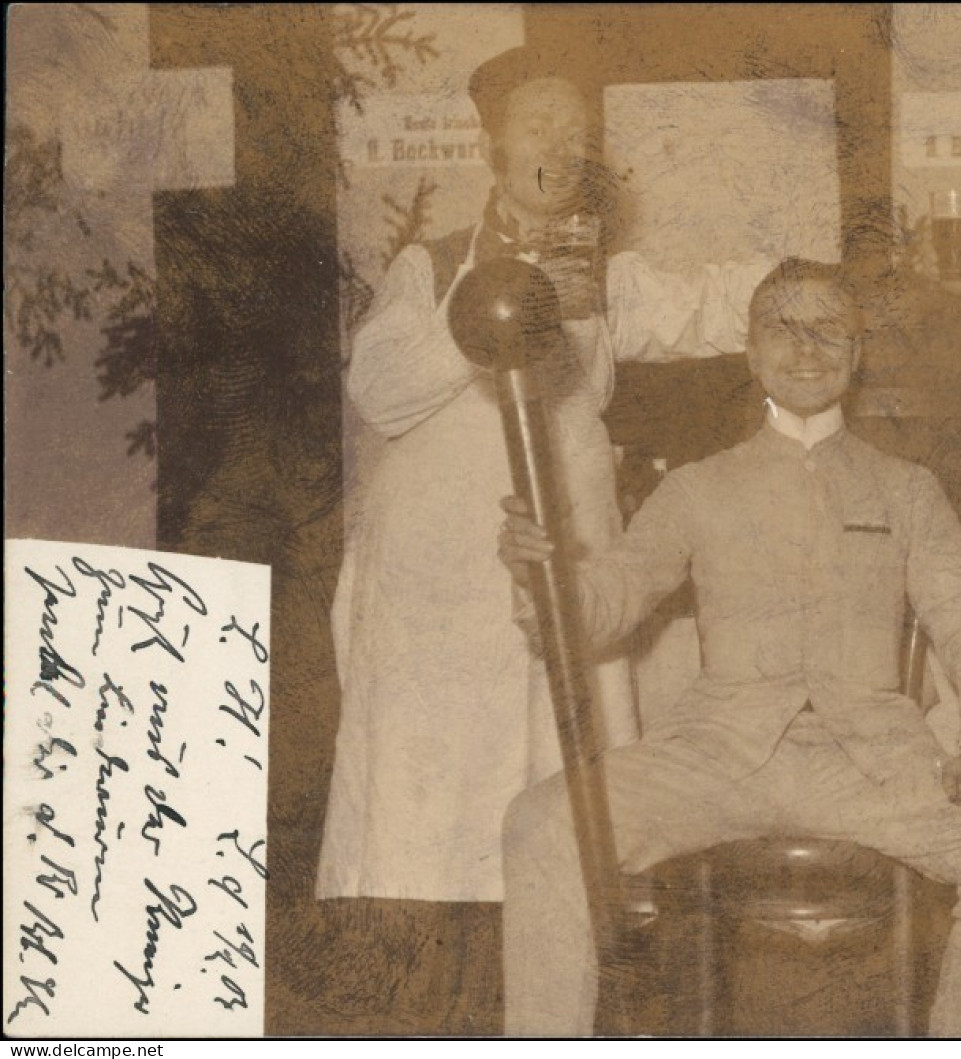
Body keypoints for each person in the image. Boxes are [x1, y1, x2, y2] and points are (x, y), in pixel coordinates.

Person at [498, 259, 961, 1037]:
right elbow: (604, 606)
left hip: (873, 766)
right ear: (751, 353)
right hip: (715, 758)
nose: (806, 347)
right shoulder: (696, 488)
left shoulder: (906, 489)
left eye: (828, 327)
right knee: (541, 823)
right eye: (782, 327)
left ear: (857, 350)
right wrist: (546, 577)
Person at [320, 47, 772, 904]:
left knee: (562, 771)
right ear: (491, 143)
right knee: (432, 791)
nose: (563, 145)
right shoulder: (433, 263)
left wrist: (810, 279)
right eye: (540, 125)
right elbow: (377, 391)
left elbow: (707, 304)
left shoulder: (600, 274)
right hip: (443, 563)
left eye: (577, 130)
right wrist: (494, 300)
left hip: (563, 534)